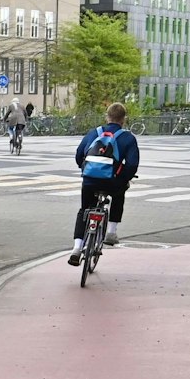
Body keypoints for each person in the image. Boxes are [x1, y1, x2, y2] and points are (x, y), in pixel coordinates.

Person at [69, 103, 141, 265]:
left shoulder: (94, 133)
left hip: (89, 180)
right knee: (120, 192)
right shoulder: (128, 137)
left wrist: (86, 170)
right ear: (124, 119)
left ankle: (77, 248)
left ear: (107, 116)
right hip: (112, 182)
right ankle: (111, 232)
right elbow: (131, 165)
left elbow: (79, 155)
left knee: (84, 209)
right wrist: (123, 179)